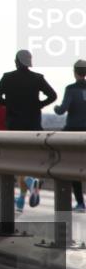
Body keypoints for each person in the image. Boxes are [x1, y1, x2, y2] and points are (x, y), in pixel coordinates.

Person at [0, 50, 57, 210]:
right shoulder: (37, 78)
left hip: (15, 126)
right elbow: (53, 95)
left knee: (18, 161)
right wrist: (38, 105)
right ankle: (21, 198)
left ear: (16, 62)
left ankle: (28, 183)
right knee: (31, 161)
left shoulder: (7, 78)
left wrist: (3, 98)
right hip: (34, 126)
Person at [54, 59, 86, 212]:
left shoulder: (71, 89)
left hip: (73, 132)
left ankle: (80, 202)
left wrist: (56, 108)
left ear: (75, 72)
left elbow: (62, 110)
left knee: (72, 166)